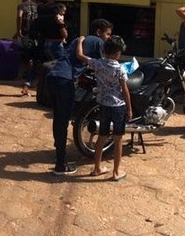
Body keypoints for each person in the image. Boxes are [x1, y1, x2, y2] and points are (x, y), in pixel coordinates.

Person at [45, 18, 113, 176]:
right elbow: (104, 65)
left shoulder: (79, 39)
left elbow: (76, 60)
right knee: (62, 122)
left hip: (52, 77)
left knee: (59, 119)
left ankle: (59, 153)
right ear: (99, 32)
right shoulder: (97, 42)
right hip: (64, 81)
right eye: (108, 34)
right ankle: (60, 165)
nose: (109, 38)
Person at [76, 34, 132, 181]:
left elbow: (80, 55)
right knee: (118, 139)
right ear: (117, 53)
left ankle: (97, 168)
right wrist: (129, 109)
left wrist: (80, 41)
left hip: (103, 105)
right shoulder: (120, 70)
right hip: (118, 106)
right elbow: (125, 90)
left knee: (102, 136)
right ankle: (116, 172)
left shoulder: (98, 64)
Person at [16, 0, 39, 96]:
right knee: (34, 57)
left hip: (26, 34)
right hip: (35, 35)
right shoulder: (36, 6)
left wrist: (18, 30)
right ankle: (31, 79)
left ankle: (27, 81)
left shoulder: (22, 6)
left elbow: (20, 16)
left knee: (28, 57)